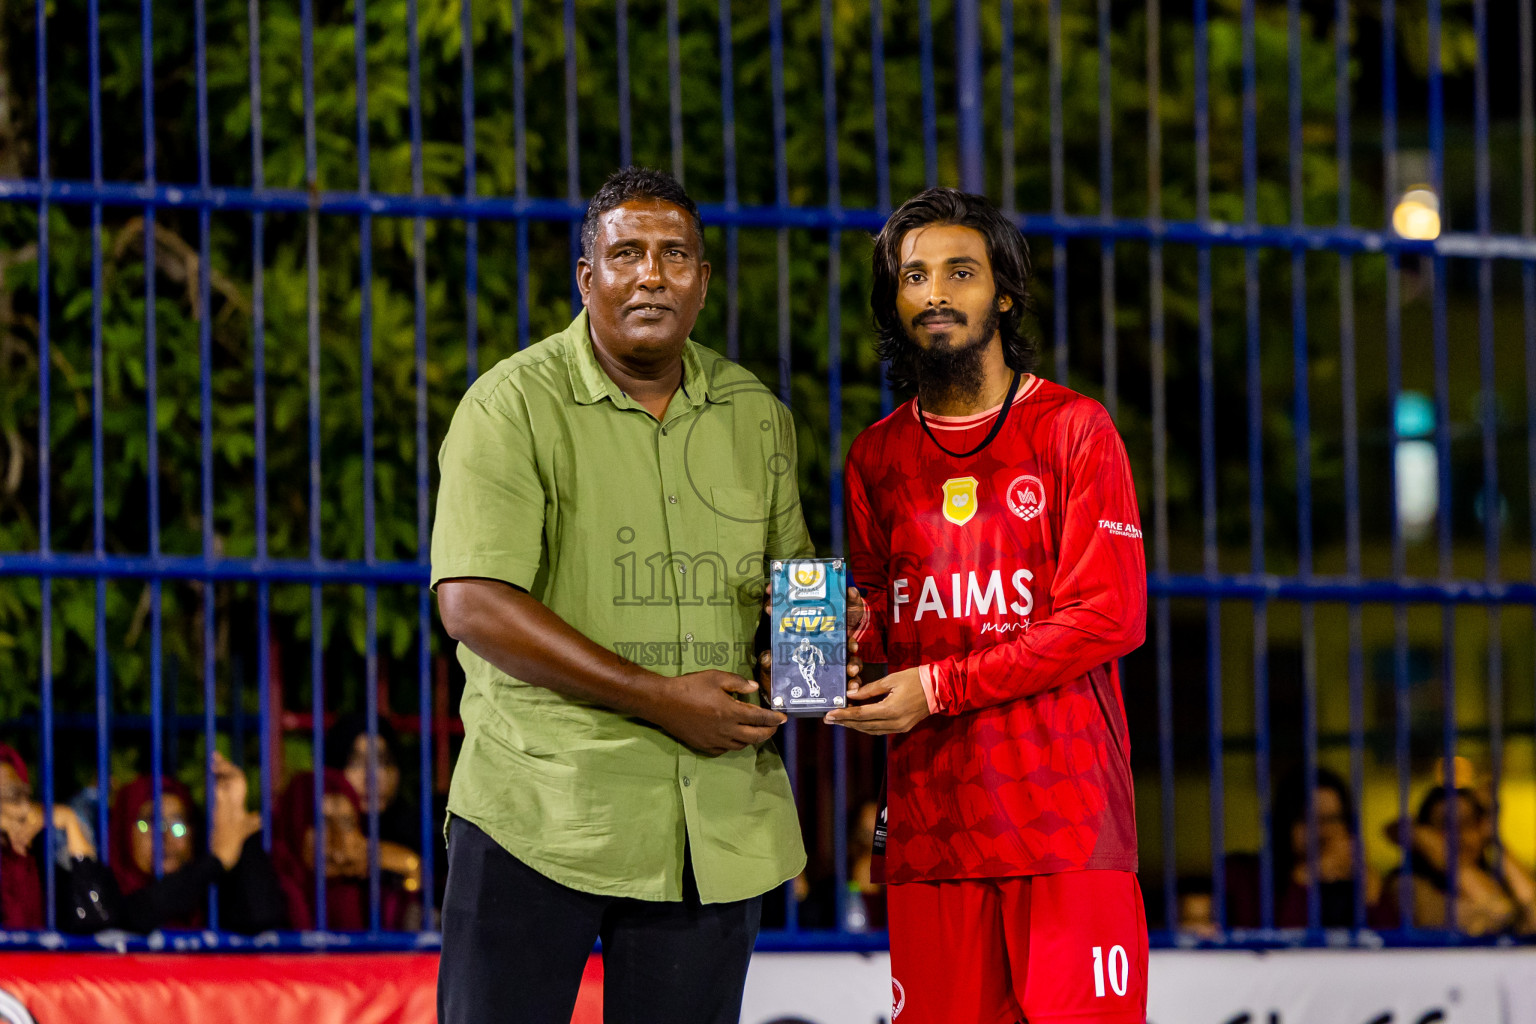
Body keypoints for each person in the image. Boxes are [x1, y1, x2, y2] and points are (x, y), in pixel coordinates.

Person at [431, 166, 856, 1024]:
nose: (651, 274)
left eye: (674, 255)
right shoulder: (511, 405)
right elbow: (473, 601)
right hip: (541, 811)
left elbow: (794, 582)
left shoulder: (755, 414)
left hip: (713, 825)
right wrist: (659, 699)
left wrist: (813, 656)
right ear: (588, 279)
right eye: (626, 253)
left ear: (703, 282)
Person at [830, 187, 1149, 1023]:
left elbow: (1107, 617)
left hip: (1065, 830)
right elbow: (876, 610)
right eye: (913, 276)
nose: (935, 292)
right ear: (894, 303)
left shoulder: (1076, 430)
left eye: (959, 272)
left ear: (1002, 293)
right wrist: (823, 639)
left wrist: (935, 689)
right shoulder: (875, 455)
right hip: (933, 833)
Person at [106, 751, 284, 933]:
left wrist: (236, 820)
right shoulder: (107, 891)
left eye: (179, 825)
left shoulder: (210, 896)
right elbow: (139, 914)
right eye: (149, 823)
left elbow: (260, 919)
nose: (166, 837)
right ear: (123, 832)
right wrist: (217, 860)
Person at [1226, 767, 1380, 930]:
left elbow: (1389, 947)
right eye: (1309, 819)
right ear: (1284, 823)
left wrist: (1371, 898)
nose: (1324, 831)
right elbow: (1280, 947)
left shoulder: (1353, 880)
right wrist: (1304, 879)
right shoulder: (1245, 876)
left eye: (1333, 819)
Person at [1377, 784, 1536, 936]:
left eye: (1467, 823)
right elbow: (1498, 913)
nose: (1459, 835)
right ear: (1427, 833)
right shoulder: (1408, 884)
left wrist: (1495, 840)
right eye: (1446, 824)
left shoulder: (1498, 878)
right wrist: (1437, 851)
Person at [271, 768, 412, 931]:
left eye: (346, 822)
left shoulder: (367, 893)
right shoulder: (272, 886)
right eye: (321, 822)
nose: (339, 840)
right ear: (294, 826)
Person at [0, 742, 103, 931]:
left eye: (15, 794)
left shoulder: (39, 857)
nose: (21, 808)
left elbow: (95, 918)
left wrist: (69, 821)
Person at [324, 714, 425, 898]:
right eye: (356, 762)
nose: (374, 777)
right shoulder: (313, 826)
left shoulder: (420, 830)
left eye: (385, 762)